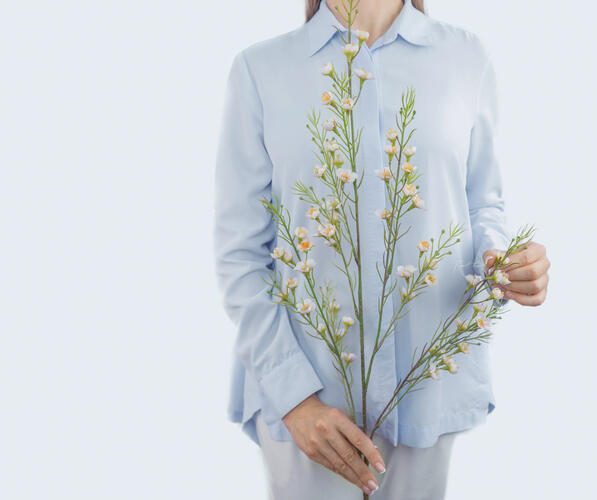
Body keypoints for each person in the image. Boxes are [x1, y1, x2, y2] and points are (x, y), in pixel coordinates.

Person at [214, 0, 550, 497]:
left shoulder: (465, 57)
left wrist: (503, 260)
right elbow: (241, 254)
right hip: (308, 403)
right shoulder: (260, 71)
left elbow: (482, 203)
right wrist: (296, 399)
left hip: (429, 383)